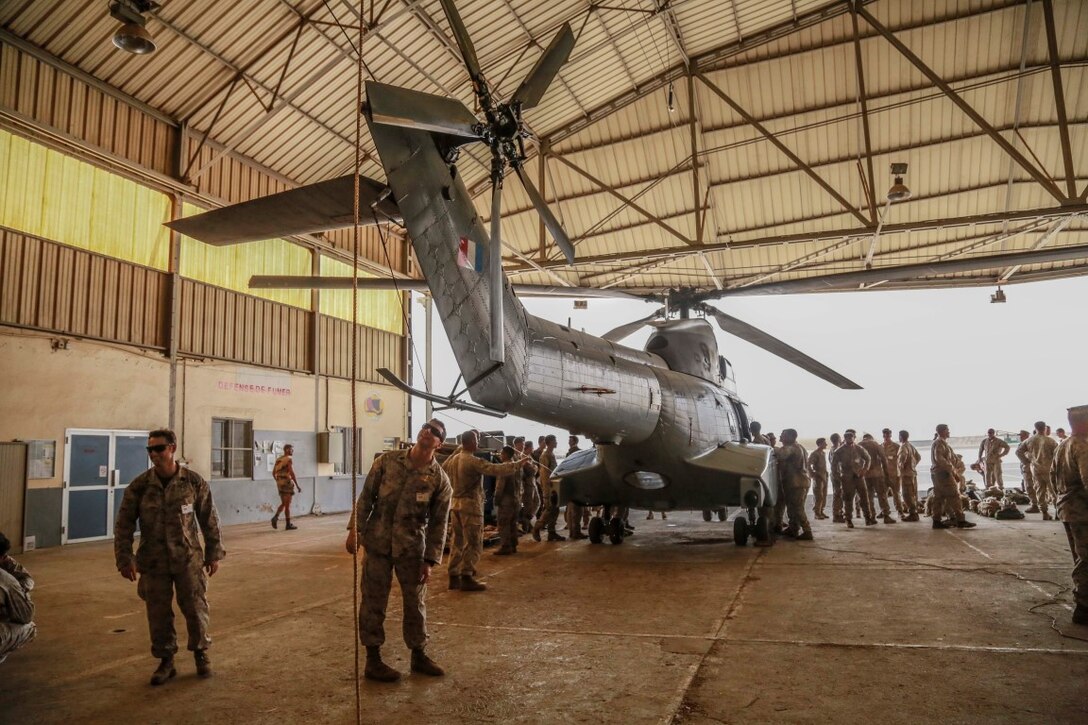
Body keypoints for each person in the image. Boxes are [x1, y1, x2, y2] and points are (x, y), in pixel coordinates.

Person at [114, 429, 225, 685]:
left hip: (187, 559)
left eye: (159, 448)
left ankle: (201, 653)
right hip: (153, 562)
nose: (153, 454)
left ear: (172, 448)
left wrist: (213, 553)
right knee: (158, 613)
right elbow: (124, 525)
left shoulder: (193, 482)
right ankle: (166, 661)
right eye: (150, 449)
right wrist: (125, 559)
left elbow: (209, 519)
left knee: (195, 608)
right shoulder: (140, 486)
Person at [346, 418, 452, 682]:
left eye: (435, 432)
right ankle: (373, 659)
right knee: (373, 601)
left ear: (439, 444)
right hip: (378, 544)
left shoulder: (439, 480)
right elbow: (366, 497)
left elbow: (439, 524)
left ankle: (419, 655)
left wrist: (430, 560)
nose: (427, 431)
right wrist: (354, 530)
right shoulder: (387, 461)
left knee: (415, 603)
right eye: (426, 427)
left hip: (412, 550)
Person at [442, 431, 522, 591]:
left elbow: (443, 467)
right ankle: (467, 575)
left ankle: (454, 576)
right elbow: (494, 469)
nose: (478, 442)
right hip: (470, 506)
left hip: (455, 504)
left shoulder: (453, 460)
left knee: (457, 541)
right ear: (471, 441)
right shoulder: (472, 460)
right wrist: (519, 464)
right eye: (477, 439)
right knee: (473, 542)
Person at [1051, 405, 1088, 625]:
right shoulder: (1082, 446)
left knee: (1080, 556)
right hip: (1082, 511)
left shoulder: (1062, 445)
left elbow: (1053, 478)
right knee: (1086, 559)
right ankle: (1083, 607)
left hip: (1068, 509)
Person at [0, 531, 35, 664]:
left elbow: (27, 579)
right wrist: (17, 593)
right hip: (11, 589)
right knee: (29, 627)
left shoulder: (7, 562)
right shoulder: (5, 580)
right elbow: (26, 616)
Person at [932, 424, 976, 530]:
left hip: (940, 474)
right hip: (944, 474)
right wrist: (953, 472)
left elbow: (950, 458)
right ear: (942, 431)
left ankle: (937, 521)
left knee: (939, 497)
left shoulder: (942, 443)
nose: (949, 432)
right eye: (947, 430)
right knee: (955, 496)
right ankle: (960, 520)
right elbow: (940, 459)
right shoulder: (939, 443)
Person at [776, 429, 813, 540]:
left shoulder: (791, 448)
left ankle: (807, 530)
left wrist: (770, 448)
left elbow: (781, 454)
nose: (780, 437)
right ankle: (793, 528)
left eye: (783, 436)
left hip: (796, 482)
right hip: (798, 481)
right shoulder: (800, 447)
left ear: (790, 437)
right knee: (792, 507)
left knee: (797, 507)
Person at [831, 432, 871, 529]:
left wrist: (865, 470)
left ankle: (868, 518)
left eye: (851, 437)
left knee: (864, 498)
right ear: (844, 438)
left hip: (859, 476)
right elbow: (833, 466)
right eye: (847, 437)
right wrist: (838, 477)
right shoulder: (839, 451)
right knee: (848, 499)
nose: (850, 439)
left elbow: (868, 458)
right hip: (846, 478)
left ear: (854, 438)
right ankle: (848, 519)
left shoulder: (859, 448)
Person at [493, 446, 527, 556]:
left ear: (506, 454)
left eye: (502, 453)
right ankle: (513, 544)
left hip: (506, 500)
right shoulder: (518, 466)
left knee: (503, 523)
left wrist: (496, 500)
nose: (500, 455)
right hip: (516, 499)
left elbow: (500, 486)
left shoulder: (504, 467)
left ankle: (505, 546)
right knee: (513, 523)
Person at [532, 435, 564, 542]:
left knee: (555, 509)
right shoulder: (545, 455)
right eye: (555, 441)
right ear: (549, 443)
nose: (556, 443)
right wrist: (547, 489)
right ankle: (537, 528)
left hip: (554, 486)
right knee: (549, 510)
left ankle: (552, 532)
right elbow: (544, 473)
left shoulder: (551, 454)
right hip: (549, 487)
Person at [860, 434, 896, 525]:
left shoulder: (859, 445)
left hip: (865, 475)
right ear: (871, 438)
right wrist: (887, 476)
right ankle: (886, 515)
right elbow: (884, 459)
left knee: (868, 497)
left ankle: (871, 517)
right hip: (877, 474)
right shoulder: (875, 444)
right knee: (882, 495)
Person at [1026, 420, 1058, 520]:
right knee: (1053, 491)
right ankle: (1057, 512)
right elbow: (1057, 455)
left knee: (1040, 491)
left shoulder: (1029, 440)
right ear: (1045, 428)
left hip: (1036, 469)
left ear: (1035, 428)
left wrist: (1028, 461)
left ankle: (1044, 513)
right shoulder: (1050, 441)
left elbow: (1019, 452)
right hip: (1049, 469)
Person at [271, 443, 302, 530]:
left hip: (280, 483)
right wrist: (297, 485)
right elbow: (291, 473)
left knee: (284, 503)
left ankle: (280, 519)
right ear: (287, 450)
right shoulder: (288, 459)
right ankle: (282, 521)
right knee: (287, 504)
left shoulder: (279, 459)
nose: (293, 451)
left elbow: (273, 473)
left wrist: (278, 481)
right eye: (291, 449)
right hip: (286, 483)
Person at [897, 430, 922, 521]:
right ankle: (915, 512)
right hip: (912, 473)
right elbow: (918, 457)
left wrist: (902, 468)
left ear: (901, 437)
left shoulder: (903, 447)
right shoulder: (910, 446)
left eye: (899, 436)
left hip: (906, 475)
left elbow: (901, 460)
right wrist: (912, 466)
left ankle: (913, 513)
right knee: (913, 494)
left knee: (907, 494)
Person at [881, 428, 904, 517]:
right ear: (883, 435)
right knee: (883, 495)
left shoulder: (896, 446)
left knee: (896, 494)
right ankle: (884, 511)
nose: (886, 436)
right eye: (884, 434)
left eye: (888, 434)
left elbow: (901, 459)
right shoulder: (880, 447)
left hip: (894, 474)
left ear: (890, 435)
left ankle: (900, 511)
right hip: (883, 474)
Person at [1016, 430, 1038, 512]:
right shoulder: (1023, 443)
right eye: (1020, 435)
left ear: (1026, 435)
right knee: (1030, 486)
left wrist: (1026, 463)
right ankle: (1036, 503)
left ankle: (1035, 505)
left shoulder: (1029, 443)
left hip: (1029, 468)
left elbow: (1018, 453)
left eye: (1021, 435)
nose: (1020, 437)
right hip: (1027, 467)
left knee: (1029, 486)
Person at [808, 438, 829, 520]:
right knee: (818, 496)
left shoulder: (823, 453)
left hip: (824, 476)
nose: (826, 444)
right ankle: (817, 513)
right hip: (818, 477)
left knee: (824, 494)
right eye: (824, 443)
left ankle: (821, 511)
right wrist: (812, 474)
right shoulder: (815, 454)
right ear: (819, 444)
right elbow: (808, 464)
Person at [828, 432, 844, 522]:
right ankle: (837, 514)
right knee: (838, 495)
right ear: (838, 439)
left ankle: (838, 513)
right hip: (837, 474)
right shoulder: (837, 450)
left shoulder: (832, 449)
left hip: (834, 474)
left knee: (837, 494)